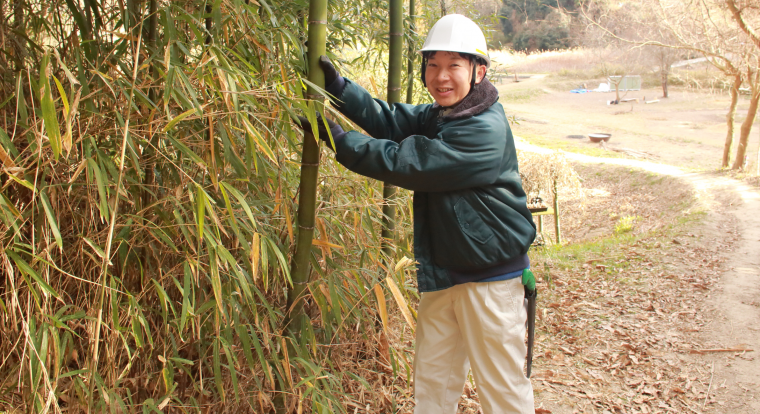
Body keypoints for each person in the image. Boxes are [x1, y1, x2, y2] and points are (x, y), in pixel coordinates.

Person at [297, 14, 536, 414]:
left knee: (503, 393)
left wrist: (339, 141)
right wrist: (340, 89)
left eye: (453, 66)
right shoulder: (447, 114)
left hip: (490, 279)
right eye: (433, 65)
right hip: (444, 271)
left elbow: (409, 163)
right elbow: (393, 121)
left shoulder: (482, 131)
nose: (441, 76)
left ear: (478, 72)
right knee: (433, 387)